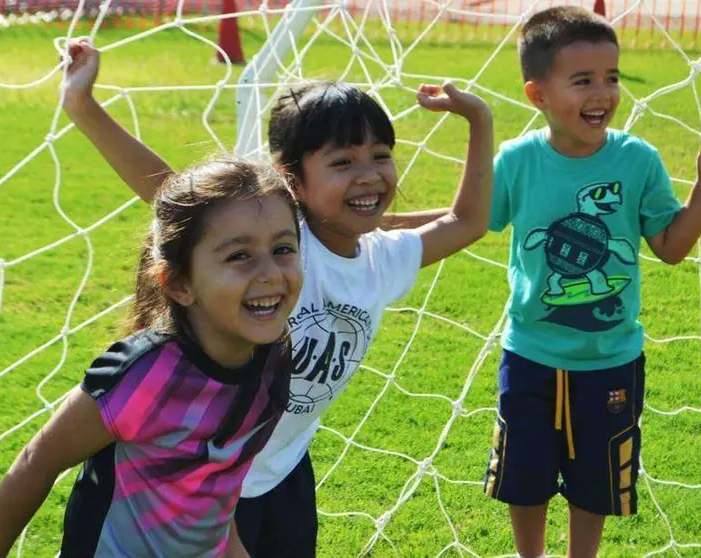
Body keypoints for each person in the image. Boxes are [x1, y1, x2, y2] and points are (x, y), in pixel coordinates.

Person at [61, 37, 494, 556]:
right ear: (291, 178)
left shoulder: (383, 259)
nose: (369, 174)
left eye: (380, 156)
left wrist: (478, 119)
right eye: (342, 162)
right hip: (190, 470)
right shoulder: (284, 247)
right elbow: (170, 191)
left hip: (279, 470)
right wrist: (82, 107)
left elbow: (468, 221)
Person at [482, 6, 701, 557]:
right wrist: (375, 226)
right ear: (538, 95)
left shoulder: (637, 161)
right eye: (582, 81)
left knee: (594, 480)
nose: (602, 93)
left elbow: (670, 248)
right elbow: (464, 220)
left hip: (610, 359)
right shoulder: (517, 161)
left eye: (611, 77)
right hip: (529, 354)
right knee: (524, 476)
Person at [0, 159, 303, 557]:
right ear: (178, 283)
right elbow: (38, 462)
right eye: (239, 256)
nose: (271, 273)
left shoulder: (274, 359)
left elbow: (217, 487)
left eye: (283, 249)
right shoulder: (143, 373)